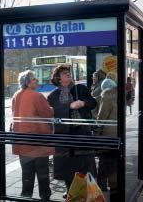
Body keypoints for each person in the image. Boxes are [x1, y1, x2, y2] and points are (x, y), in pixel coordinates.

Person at [47, 64, 97, 197]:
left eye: (69, 72)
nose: (68, 74)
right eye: (64, 73)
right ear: (58, 77)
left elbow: (93, 103)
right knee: (68, 167)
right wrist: (69, 106)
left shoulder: (80, 88)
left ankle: (87, 193)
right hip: (64, 136)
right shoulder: (53, 95)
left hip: (82, 133)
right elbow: (54, 113)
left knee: (85, 165)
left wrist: (83, 103)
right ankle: (71, 191)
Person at [11, 70, 54, 201]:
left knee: (27, 173)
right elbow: (48, 113)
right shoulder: (36, 96)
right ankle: (45, 197)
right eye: (34, 79)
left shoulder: (16, 95)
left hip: (22, 141)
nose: (37, 81)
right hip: (38, 140)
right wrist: (52, 109)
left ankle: (26, 196)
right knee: (42, 173)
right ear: (28, 82)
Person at [96, 78, 118, 192]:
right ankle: (114, 184)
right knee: (114, 159)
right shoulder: (119, 93)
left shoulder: (107, 95)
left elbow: (102, 116)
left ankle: (102, 186)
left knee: (104, 160)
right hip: (117, 133)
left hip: (108, 134)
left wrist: (97, 130)